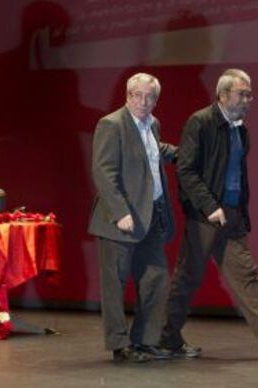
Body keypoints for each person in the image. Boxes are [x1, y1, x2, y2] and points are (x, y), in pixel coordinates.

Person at [160, 68, 258, 358]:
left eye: (250, 94)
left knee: (246, 276)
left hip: (233, 215)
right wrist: (209, 206)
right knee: (187, 279)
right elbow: (187, 170)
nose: (249, 99)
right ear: (224, 95)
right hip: (205, 216)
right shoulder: (200, 122)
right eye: (243, 94)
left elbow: (236, 175)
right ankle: (166, 339)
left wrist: (236, 209)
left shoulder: (241, 130)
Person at [89, 73, 177, 363]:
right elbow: (104, 172)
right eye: (138, 95)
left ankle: (146, 341)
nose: (144, 101)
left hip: (150, 216)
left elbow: (150, 153)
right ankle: (119, 344)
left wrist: (180, 153)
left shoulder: (153, 124)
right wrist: (120, 212)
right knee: (115, 284)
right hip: (121, 219)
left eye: (150, 97)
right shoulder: (111, 125)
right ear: (127, 96)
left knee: (156, 278)